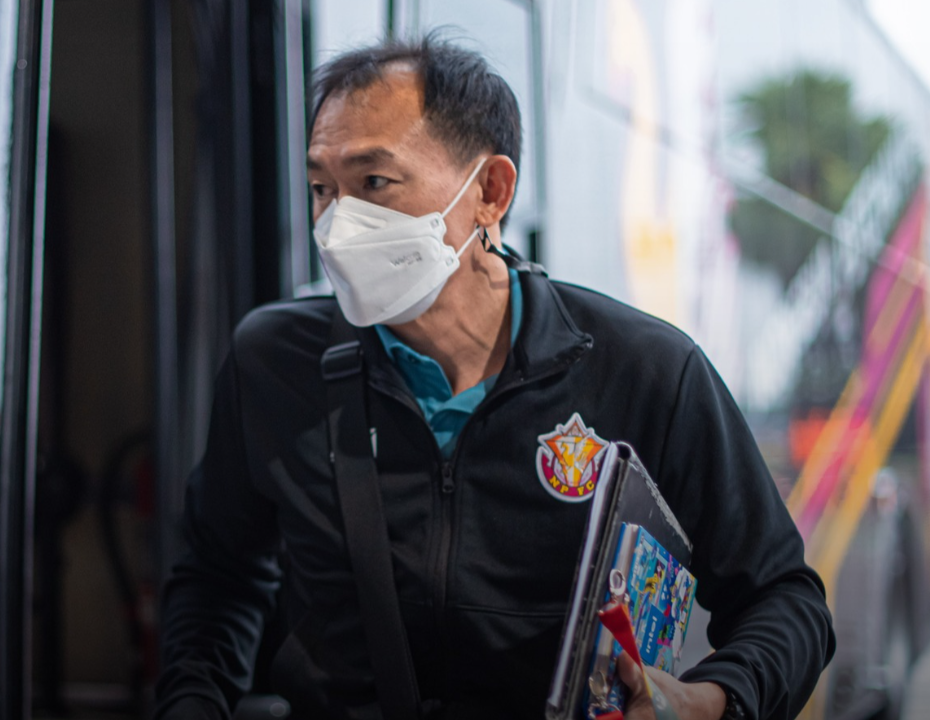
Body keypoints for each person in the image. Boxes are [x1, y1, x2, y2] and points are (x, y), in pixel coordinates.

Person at [154, 36, 834, 720]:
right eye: (322, 189)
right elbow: (218, 578)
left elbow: (784, 600)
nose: (338, 225)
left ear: (490, 191)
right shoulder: (275, 362)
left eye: (374, 183)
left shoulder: (647, 372)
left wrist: (710, 700)